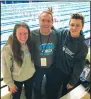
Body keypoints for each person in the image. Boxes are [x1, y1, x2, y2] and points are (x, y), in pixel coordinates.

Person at [49, 13, 88, 99]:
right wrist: (50, 19)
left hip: (68, 74)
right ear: (69, 24)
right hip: (57, 69)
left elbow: (79, 66)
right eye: (72, 24)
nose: (74, 28)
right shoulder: (63, 33)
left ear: (82, 26)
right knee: (53, 90)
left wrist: (72, 81)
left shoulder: (83, 47)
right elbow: (54, 31)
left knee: (65, 93)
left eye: (77, 25)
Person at [1, 22, 35, 99]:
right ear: (15, 34)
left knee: (29, 96)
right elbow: (5, 68)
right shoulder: (9, 48)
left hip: (30, 76)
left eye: (25, 33)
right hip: (17, 80)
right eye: (20, 33)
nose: (23, 36)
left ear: (28, 34)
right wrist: (10, 84)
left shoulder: (30, 43)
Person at [31, 9, 58, 99]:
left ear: (52, 22)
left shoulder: (56, 35)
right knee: (37, 85)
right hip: (38, 67)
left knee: (50, 83)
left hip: (51, 66)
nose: (46, 23)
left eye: (48, 21)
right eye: (43, 20)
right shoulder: (32, 35)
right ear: (38, 21)